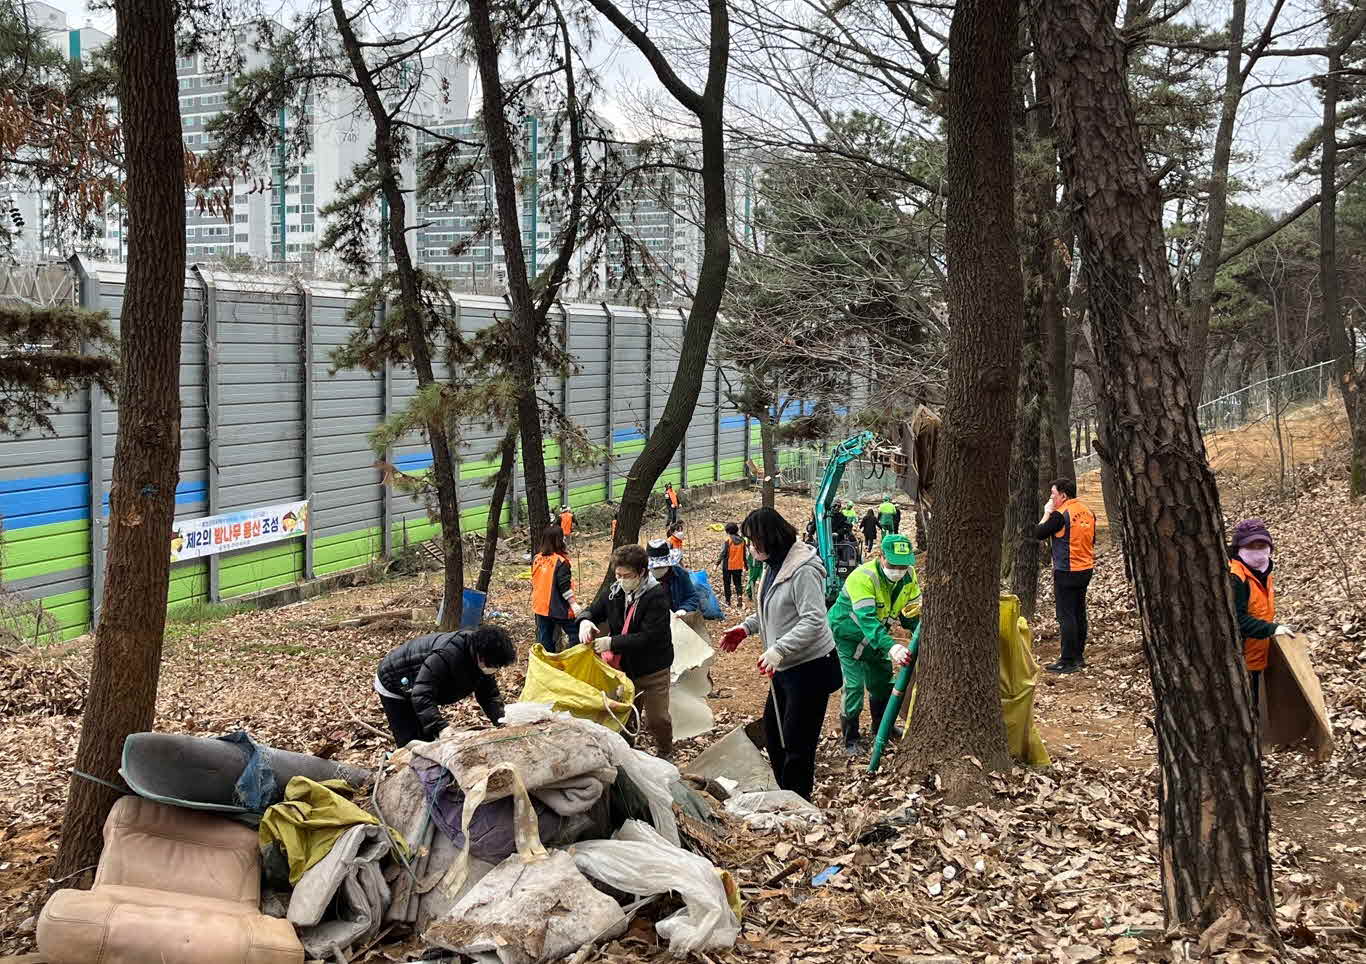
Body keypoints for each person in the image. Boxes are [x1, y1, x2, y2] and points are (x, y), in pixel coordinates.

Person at [719, 507, 842, 801]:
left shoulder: (803, 570)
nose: (748, 547)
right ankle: (785, 792)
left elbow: (813, 620)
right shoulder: (774, 565)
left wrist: (779, 649)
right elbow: (772, 607)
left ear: (768, 539)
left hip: (811, 668)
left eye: (751, 541)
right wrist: (746, 628)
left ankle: (797, 801)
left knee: (797, 742)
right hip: (784, 666)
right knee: (775, 737)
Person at [827, 533, 922, 755]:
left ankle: (882, 727)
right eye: (894, 564)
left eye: (904, 564)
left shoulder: (909, 576)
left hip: (878, 637)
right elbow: (866, 619)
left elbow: (910, 613)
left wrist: (918, 633)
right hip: (849, 635)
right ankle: (850, 737)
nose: (899, 569)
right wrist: (892, 646)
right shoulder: (863, 577)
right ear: (881, 556)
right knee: (854, 686)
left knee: (882, 681)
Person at [578, 544, 675, 759]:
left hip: (653, 669)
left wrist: (611, 643)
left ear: (641, 573)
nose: (621, 580)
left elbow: (649, 637)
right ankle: (627, 753)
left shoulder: (656, 596)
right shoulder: (615, 592)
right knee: (625, 715)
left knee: (657, 718)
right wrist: (585, 621)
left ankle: (665, 751)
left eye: (627, 575)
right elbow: (594, 610)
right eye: (618, 575)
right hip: (624, 670)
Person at [374, 626, 516, 747]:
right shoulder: (448, 654)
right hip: (394, 680)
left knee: (429, 738)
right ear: (481, 655)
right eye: (493, 665)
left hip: (418, 686)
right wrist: (441, 728)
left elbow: (489, 696)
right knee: (413, 742)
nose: (493, 669)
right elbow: (421, 694)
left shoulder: (482, 659)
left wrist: (502, 721)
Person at [1228, 518, 1294, 703]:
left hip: (1258, 654)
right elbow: (1237, 619)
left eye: (1262, 545)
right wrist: (1271, 629)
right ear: (1240, 548)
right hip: (1240, 660)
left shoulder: (1263, 572)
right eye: (1251, 546)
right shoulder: (1236, 577)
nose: (1258, 551)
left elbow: (1260, 611)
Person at [1034, 477, 1096, 674]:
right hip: (1086, 569)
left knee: (1066, 616)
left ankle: (1067, 660)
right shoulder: (1088, 511)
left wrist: (1046, 512)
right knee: (1079, 612)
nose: (1051, 499)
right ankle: (1078, 656)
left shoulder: (1060, 515)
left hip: (1066, 571)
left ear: (1063, 495)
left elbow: (1039, 532)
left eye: (1053, 495)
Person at [531, 524, 577, 652]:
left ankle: (549, 664)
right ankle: (571, 658)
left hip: (540, 606)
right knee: (576, 634)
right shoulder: (561, 562)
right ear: (559, 540)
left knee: (545, 638)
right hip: (558, 606)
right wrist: (573, 604)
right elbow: (564, 587)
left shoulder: (536, 559)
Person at [646, 538, 703, 634]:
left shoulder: (680, 574)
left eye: (661, 567)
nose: (658, 570)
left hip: (677, 623)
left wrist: (683, 609)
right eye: (654, 568)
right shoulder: (642, 578)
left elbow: (692, 596)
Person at [716, 522, 749, 606]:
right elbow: (744, 554)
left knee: (727, 583)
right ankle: (739, 595)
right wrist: (745, 565)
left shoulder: (728, 541)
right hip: (738, 566)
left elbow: (723, 553)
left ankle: (728, 600)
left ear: (727, 531)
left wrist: (717, 564)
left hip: (727, 566)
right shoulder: (742, 541)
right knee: (738, 583)